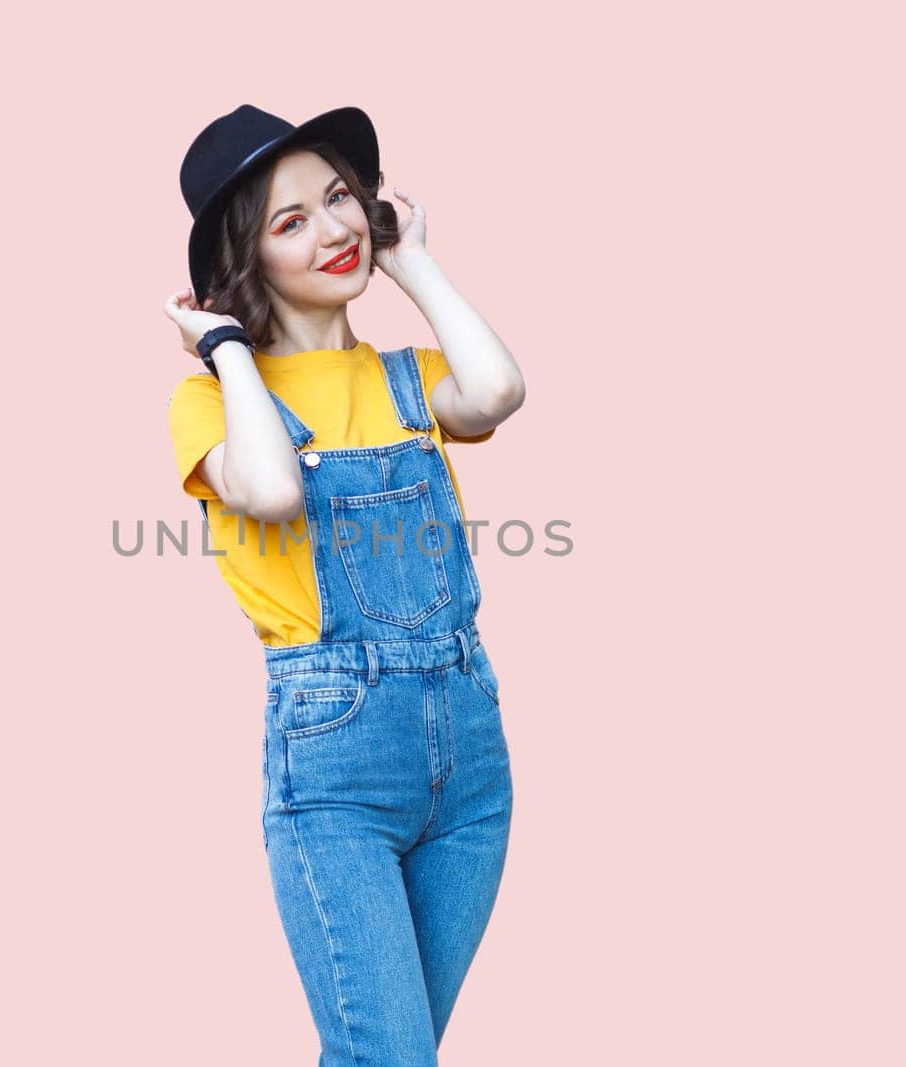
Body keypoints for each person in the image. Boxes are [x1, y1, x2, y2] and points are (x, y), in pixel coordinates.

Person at [163, 104, 526, 1065]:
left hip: (470, 754)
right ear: (247, 260)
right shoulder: (210, 402)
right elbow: (276, 490)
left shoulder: (412, 379)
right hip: (337, 765)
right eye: (290, 222)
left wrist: (411, 263)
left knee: (388, 1055)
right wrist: (229, 348)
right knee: (389, 1057)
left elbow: (496, 391)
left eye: (339, 198)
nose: (334, 230)